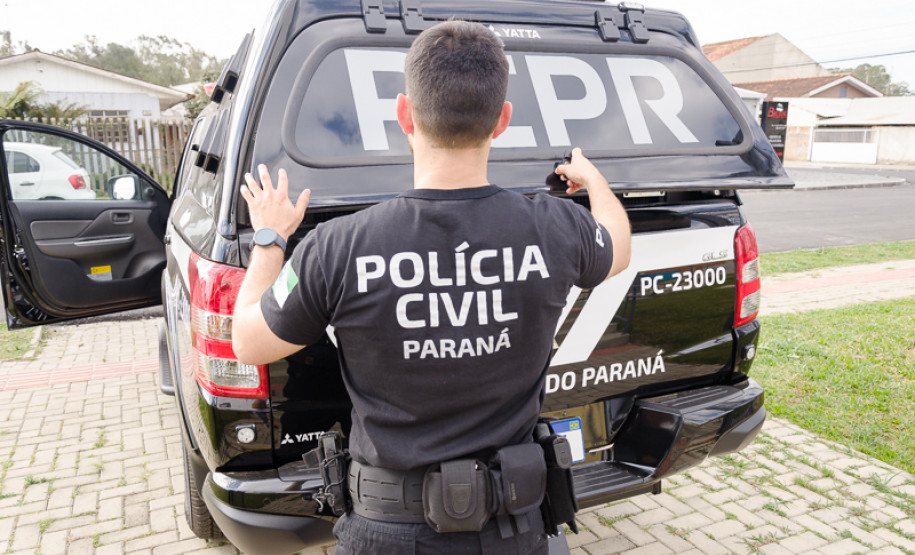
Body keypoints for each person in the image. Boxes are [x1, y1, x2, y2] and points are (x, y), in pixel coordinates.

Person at [232, 20, 631, 555]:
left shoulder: (338, 245)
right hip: (514, 529)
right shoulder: (555, 227)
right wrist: (595, 182)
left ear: (404, 115)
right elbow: (618, 247)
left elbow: (249, 342)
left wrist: (269, 239)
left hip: (388, 533)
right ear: (502, 121)